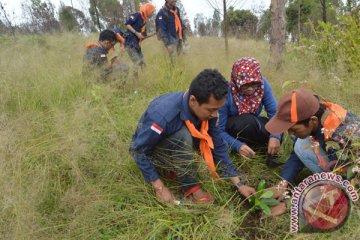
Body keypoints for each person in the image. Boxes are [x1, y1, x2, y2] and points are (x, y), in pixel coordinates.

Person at [130, 69, 256, 204]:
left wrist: (239, 184)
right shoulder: (162, 116)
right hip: (155, 153)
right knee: (182, 136)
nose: (215, 115)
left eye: (218, 109)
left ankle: (184, 161)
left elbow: (217, 143)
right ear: (193, 100)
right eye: (211, 110)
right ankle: (189, 187)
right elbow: (138, 150)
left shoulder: (209, 110)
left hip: (181, 141)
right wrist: (159, 187)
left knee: (223, 145)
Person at [265, 89, 360, 197]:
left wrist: (295, 203)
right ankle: (324, 179)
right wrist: (283, 182)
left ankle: (325, 181)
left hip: (351, 169)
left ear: (313, 120)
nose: (290, 133)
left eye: (294, 129)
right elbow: (296, 156)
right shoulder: (314, 114)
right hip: (340, 161)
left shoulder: (337, 137)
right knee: (300, 144)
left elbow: (345, 180)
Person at [218, 57, 282, 167]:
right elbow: (219, 131)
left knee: (278, 131)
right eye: (245, 85)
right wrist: (237, 146)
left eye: (254, 84)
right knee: (246, 122)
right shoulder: (226, 93)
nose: (251, 89)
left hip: (251, 125)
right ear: (236, 81)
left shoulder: (262, 86)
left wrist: (275, 137)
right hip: (233, 131)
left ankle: (263, 152)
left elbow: (276, 114)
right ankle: (242, 151)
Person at [121, 3, 156, 73]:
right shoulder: (137, 15)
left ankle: (145, 79)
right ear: (148, 10)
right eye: (152, 12)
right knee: (137, 62)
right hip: (130, 44)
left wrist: (155, 33)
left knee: (143, 64)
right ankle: (135, 80)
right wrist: (136, 33)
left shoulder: (144, 21)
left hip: (137, 45)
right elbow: (127, 24)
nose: (152, 14)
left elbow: (143, 36)